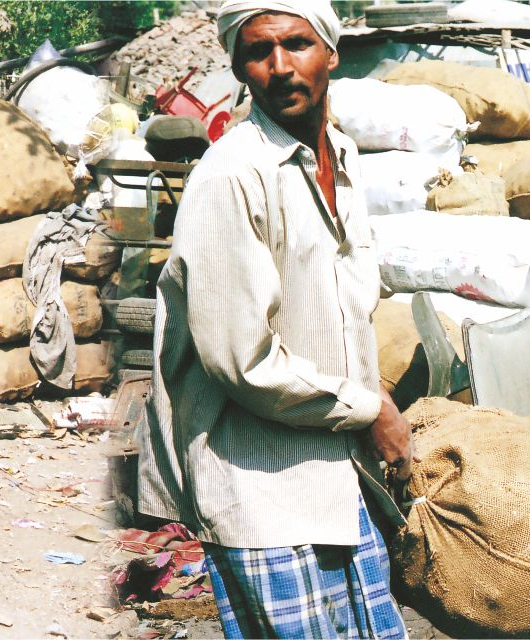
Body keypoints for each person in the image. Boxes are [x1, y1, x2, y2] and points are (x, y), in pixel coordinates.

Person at [136, 1, 410, 637]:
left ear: (332, 54)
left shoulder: (340, 157)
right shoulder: (233, 176)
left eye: (297, 45)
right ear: (238, 66)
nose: (281, 67)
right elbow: (242, 360)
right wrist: (371, 409)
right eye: (260, 52)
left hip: (339, 482)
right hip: (263, 493)